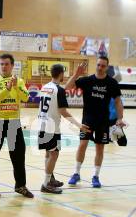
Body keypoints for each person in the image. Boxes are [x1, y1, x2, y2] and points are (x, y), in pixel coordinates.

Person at [65, 56, 125, 188]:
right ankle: (76, 173)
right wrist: (76, 74)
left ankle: (96, 176)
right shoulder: (87, 80)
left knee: (100, 148)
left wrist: (120, 118)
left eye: (103, 66)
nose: (100, 67)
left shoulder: (112, 83)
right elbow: (66, 88)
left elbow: (118, 101)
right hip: (87, 119)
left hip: (103, 121)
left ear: (107, 67)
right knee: (82, 145)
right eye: (98, 65)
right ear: (96, 65)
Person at [37, 64, 90, 194]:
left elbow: (61, 91)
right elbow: (63, 111)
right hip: (52, 127)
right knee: (54, 154)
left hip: (41, 124)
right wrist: (79, 126)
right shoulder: (58, 90)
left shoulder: (45, 87)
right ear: (61, 74)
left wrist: (76, 75)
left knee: (49, 153)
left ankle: (50, 180)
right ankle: (46, 184)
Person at [0, 54, 33, 198]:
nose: (4, 67)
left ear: (12, 66)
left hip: (13, 122)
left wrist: (15, 86)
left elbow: (26, 98)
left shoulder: (18, 81)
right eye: (1, 64)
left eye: (6, 64)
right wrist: (6, 89)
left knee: (18, 156)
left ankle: (20, 186)